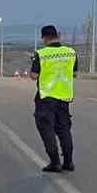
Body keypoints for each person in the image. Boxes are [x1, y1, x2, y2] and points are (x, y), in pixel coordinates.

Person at [28, 24, 77, 173]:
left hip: (46, 98)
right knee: (64, 129)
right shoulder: (71, 53)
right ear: (57, 35)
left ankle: (55, 162)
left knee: (46, 128)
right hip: (64, 97)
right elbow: (74, 74)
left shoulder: (41, 54)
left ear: (45, 38)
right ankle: (68, 162)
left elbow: (33, 76)